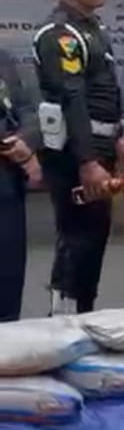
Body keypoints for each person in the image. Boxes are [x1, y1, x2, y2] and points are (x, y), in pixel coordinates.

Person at [32, 0, 124, 315]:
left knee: (95, 235)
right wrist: (88, 161)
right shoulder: (61, 35)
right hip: (74, 153)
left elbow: (104, 93)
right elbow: (72, 98)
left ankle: (84, 314)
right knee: (78, 238)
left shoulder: (94, 29)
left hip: (100, 147)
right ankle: (63, 318)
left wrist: (117, 136)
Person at [0, 51, 40, 322]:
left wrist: (26, 140)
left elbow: (25, 106)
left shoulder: (3, 58)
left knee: (8, 272)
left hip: (7, 178)